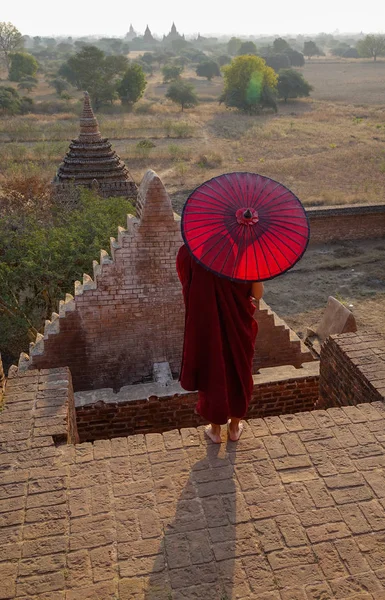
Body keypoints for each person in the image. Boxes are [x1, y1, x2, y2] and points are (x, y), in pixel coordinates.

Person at [176, 243, 264, 443]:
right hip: (239, 327)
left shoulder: (190, 252)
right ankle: (234, 428)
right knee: (239, 371)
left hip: (207, 327)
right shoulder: (244, 255)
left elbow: (186, 282)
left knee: (212, 371)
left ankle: (215, 431)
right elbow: (257, 295)